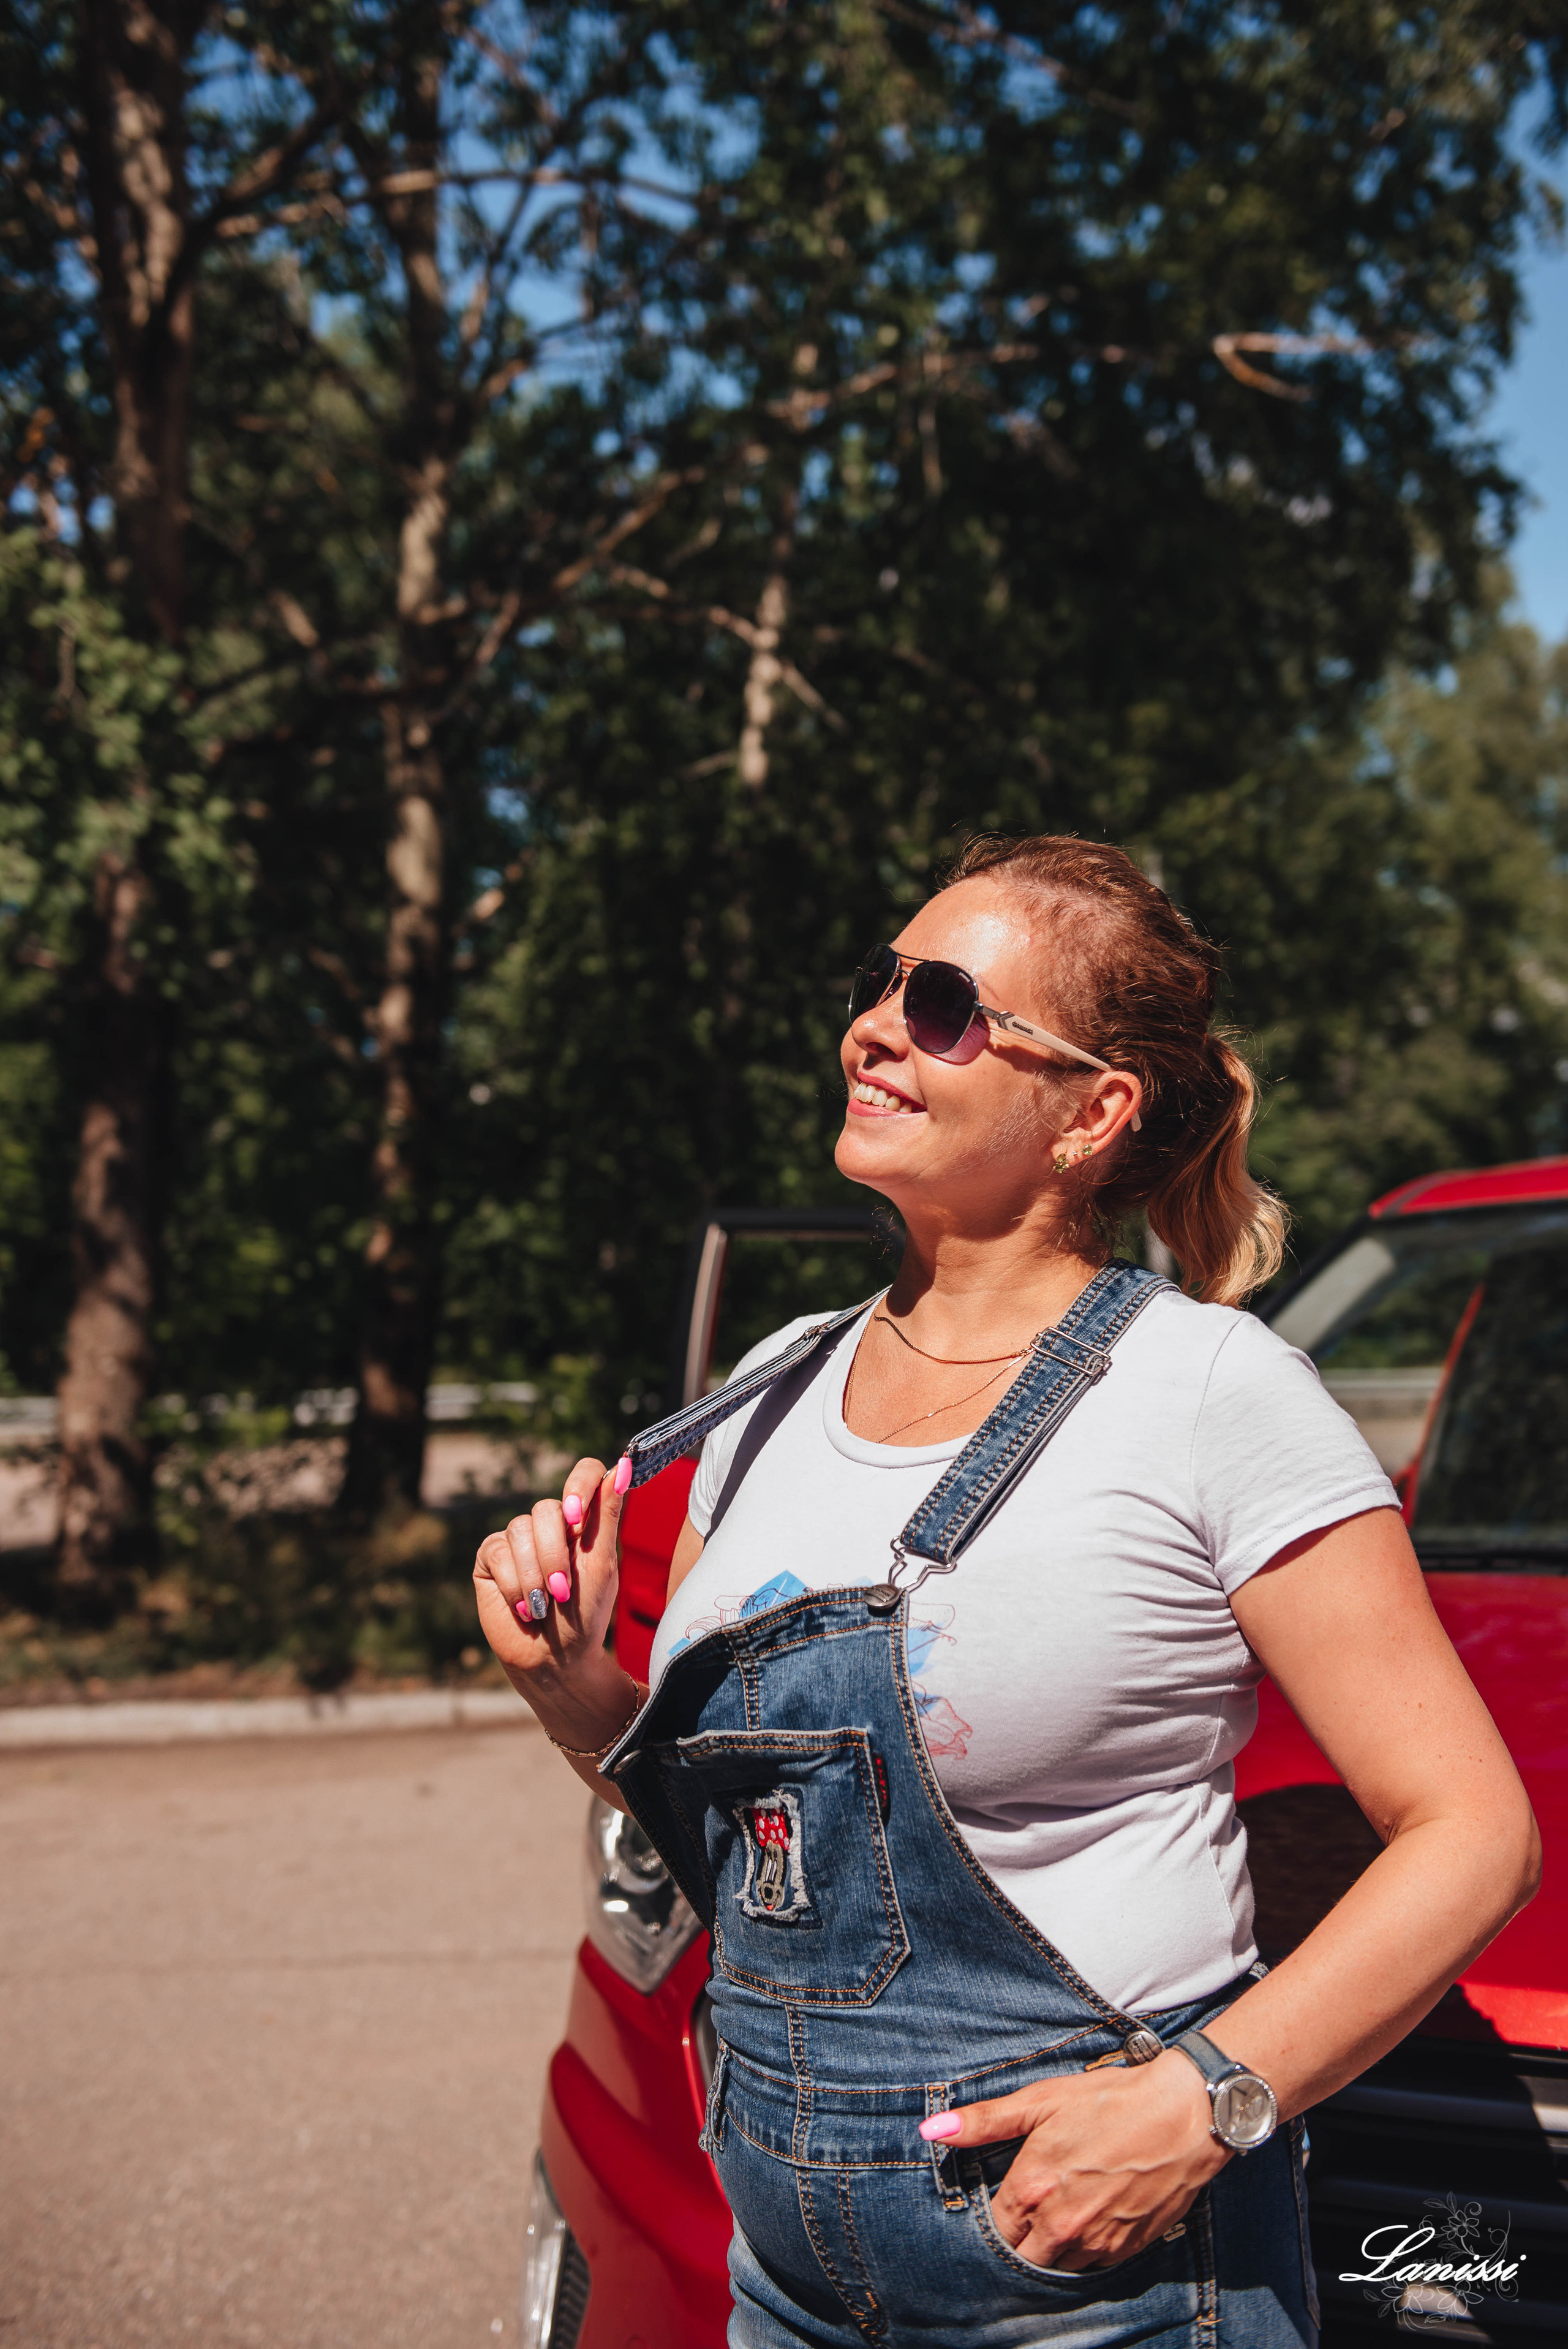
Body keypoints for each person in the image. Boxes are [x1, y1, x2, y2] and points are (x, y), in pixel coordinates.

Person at [473, 834, 1539, 2347]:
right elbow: (743, 1847)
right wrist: (571, 1690)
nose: (874, 1023)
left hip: (1095, 2284)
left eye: (943, 1002)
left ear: (1091, 1113)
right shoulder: (773, 1386)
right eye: (877, 985)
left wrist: (1202, 2102)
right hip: (777, 2272)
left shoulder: (1206, 1390)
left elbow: (1473, 1836)